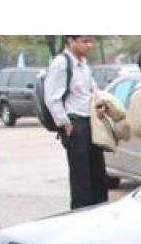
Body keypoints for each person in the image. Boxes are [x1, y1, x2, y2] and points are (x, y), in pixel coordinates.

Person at [44, 35, 108, 209]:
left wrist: (99, 105)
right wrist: (65, 123)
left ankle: (99, 215)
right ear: (70, 41)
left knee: (98, 175)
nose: (89, 45)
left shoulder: (84, 65)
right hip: (75, 124)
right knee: (81, 179)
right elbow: (51, 98)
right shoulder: (61, 63)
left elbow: (91, 91)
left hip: (91, 122)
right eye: (84, 41)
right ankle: (80, 216)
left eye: (90, 41)